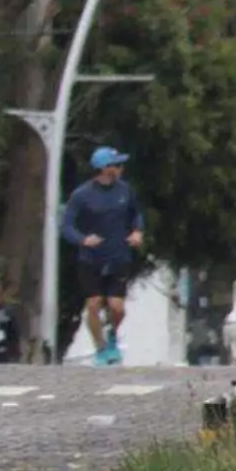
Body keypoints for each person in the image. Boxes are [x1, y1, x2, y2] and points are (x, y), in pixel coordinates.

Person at [62, 146, 145, 366]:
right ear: (104, 168)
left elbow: (136, 214)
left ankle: (112, 336)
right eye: (116, 165)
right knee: (93, 304)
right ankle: (100, 347)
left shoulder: (125, 191)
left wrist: (137, 232)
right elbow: (67, 226)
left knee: (117, 306)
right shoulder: (82, 195)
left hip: (119, 256)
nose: (120, 168)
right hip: (91, 259)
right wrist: (83, 239)